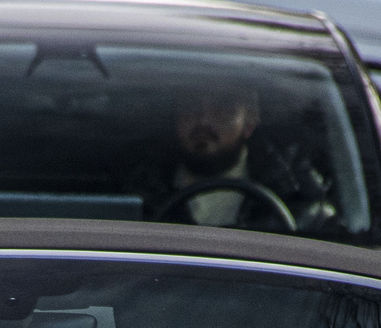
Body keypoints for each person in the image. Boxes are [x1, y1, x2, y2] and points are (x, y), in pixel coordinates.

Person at [127, 82, 336, 234]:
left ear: (250, 123)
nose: (203, 119)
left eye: (222, 107)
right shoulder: (136, 192)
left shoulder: (298, 201)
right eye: (190, 105)